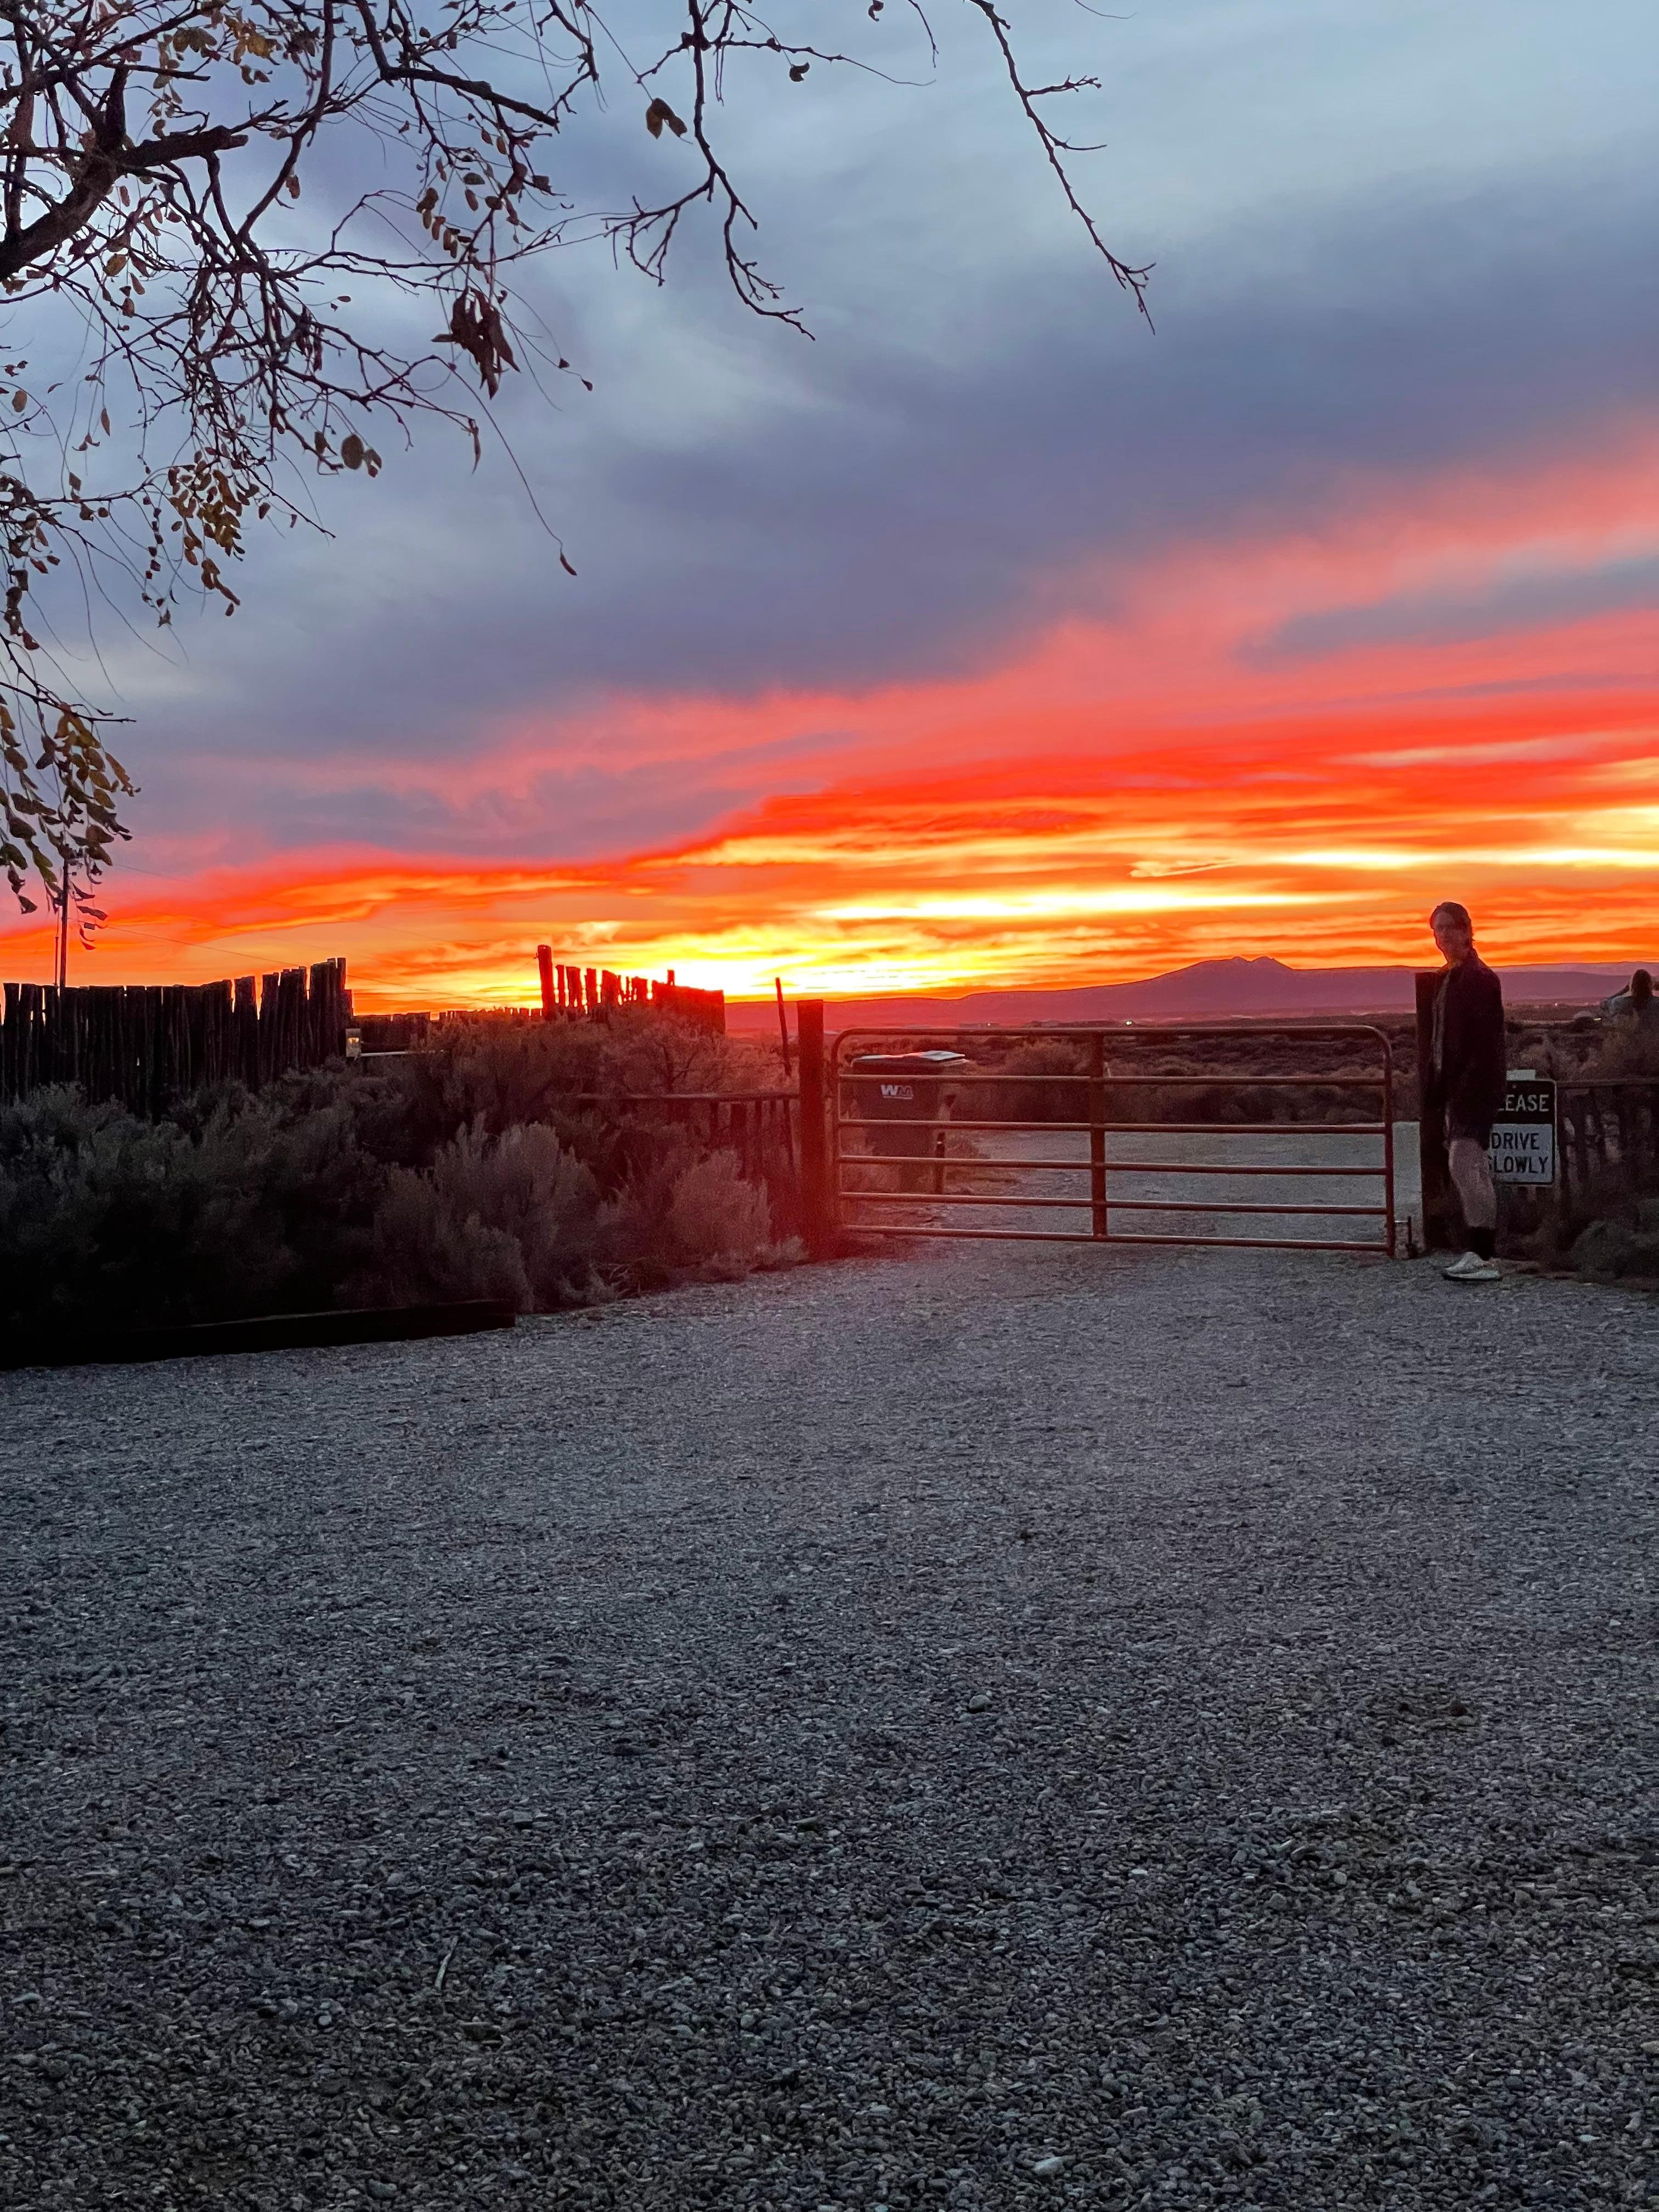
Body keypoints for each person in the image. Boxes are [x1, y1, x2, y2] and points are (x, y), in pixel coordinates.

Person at [1422, 901, 1506, 1283]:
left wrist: (1465, 1088)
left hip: (1475, 1087)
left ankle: (1483, 1255)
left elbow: (1485, 1044)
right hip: (1460, 1088)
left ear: (1467, 929)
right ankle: (1481, 1251)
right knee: (1472, 1166)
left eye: (1450, 927)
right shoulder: (1450, 979)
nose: (1444, 936)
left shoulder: (1478, 979)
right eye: (1438, 929)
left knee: (1465, 1163)